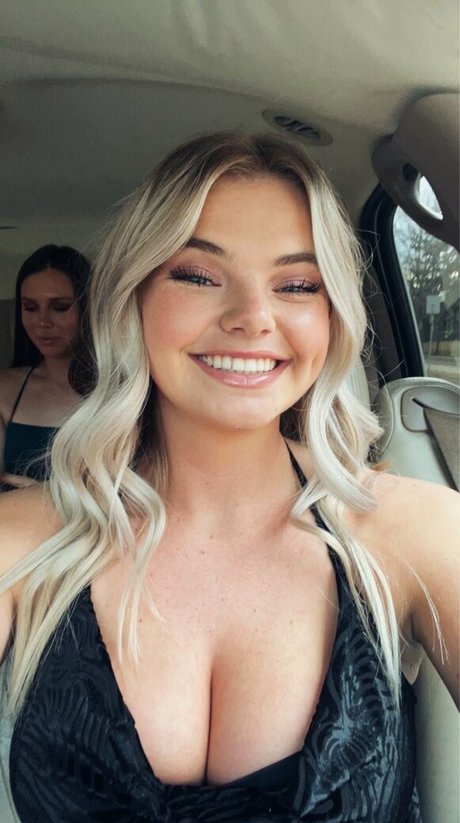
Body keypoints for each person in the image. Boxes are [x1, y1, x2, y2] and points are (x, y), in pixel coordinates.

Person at [0, 132, 458, 822]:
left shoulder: (414, 529)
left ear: (331, 315)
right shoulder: (22, 541)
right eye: (198, 275)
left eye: (297, 285)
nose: (252, 317)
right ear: (132, 298)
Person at [0, 244, 92, 489]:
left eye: (60, 307)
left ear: (89, 309)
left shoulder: (123, 390)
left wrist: (34, 492)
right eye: (30, 308)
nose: (42, 321)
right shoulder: (5, 388)